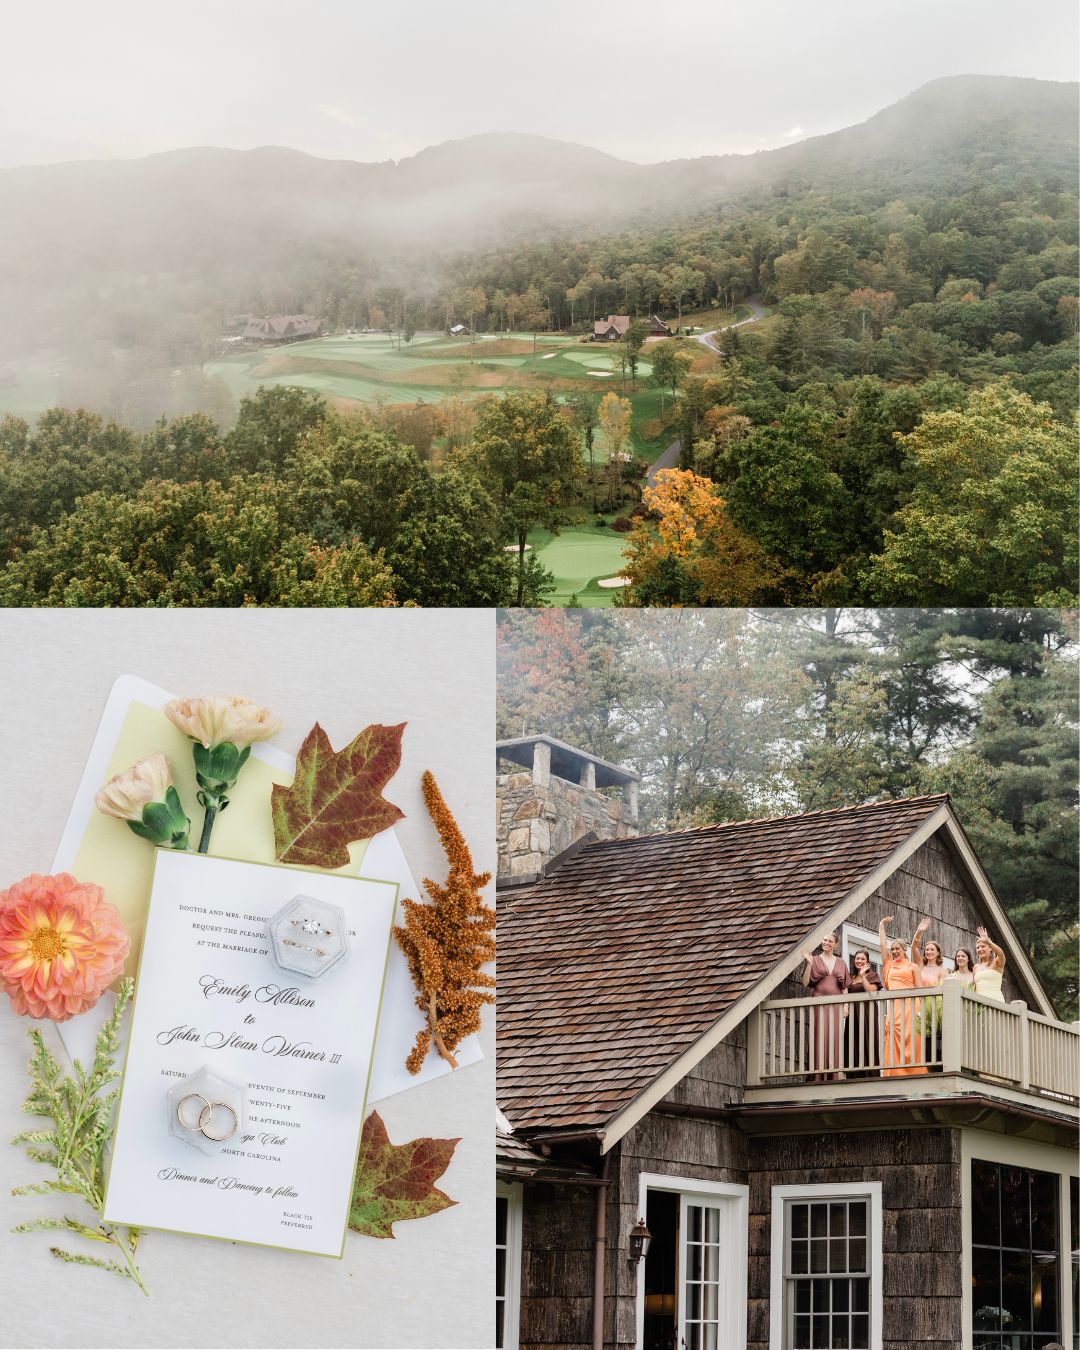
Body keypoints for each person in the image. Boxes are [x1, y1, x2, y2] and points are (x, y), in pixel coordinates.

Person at [878, 916, 927, 1077]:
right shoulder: (889, 964)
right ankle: (893, 1072)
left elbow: (920, 989)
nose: (894, 951)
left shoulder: (913, 966)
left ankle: (914, 1072)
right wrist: (881, 925)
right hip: (894, 1007)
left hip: (911, 1006)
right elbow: (882, 945)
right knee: (892, 1034)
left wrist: (921, 1011)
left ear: (904, 950)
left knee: (912, 1036)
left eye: (897, 948)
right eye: (892, 949)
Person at [800, 933, 850, 1080]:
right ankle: (817, 1075)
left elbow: (845, 987)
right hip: (819, 1003)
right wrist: (809, 964)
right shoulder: (814, 959)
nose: (826, 943)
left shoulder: (841, 963)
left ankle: (834, 1074)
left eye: (830, 941)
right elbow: (805, 983)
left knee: (835, 1037)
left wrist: (846, 1006)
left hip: (836, 1004)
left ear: (836, 945)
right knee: (819, 1036)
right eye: (824, 940)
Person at [912, 921, 947, 1071]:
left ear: (938, 953)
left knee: (932, 1038)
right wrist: (919, 931)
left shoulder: (942, 970)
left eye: (932, 950)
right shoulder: (920, 965)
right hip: (919, 1005)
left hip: (934, 1007)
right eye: (927, 949)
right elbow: (914, 947)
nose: (929, 952)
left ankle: (934, 1068)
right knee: (919, 1037)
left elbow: (943, 991)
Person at [844, 949, 882, 1078]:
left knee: (867, 1040)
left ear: (867, 962)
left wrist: (863, 976)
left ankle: (869, 1075)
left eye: (862, 959)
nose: (859, 961)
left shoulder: (873, 975)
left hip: (867, 1012)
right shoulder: (850, 977)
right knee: (852, 1041)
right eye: (857, 958)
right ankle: (853, 1075)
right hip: (853, 1014)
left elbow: (870, 991)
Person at [972, 926, 1007, 1002]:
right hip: (980, 1003)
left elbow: (1001, 954)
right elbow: (975, 989)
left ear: (990, 948)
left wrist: (988, 941)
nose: (980, 949)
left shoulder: (997, 962)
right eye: (978, 948)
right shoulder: (976, 967)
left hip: (996, 1001)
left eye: (983, 946)